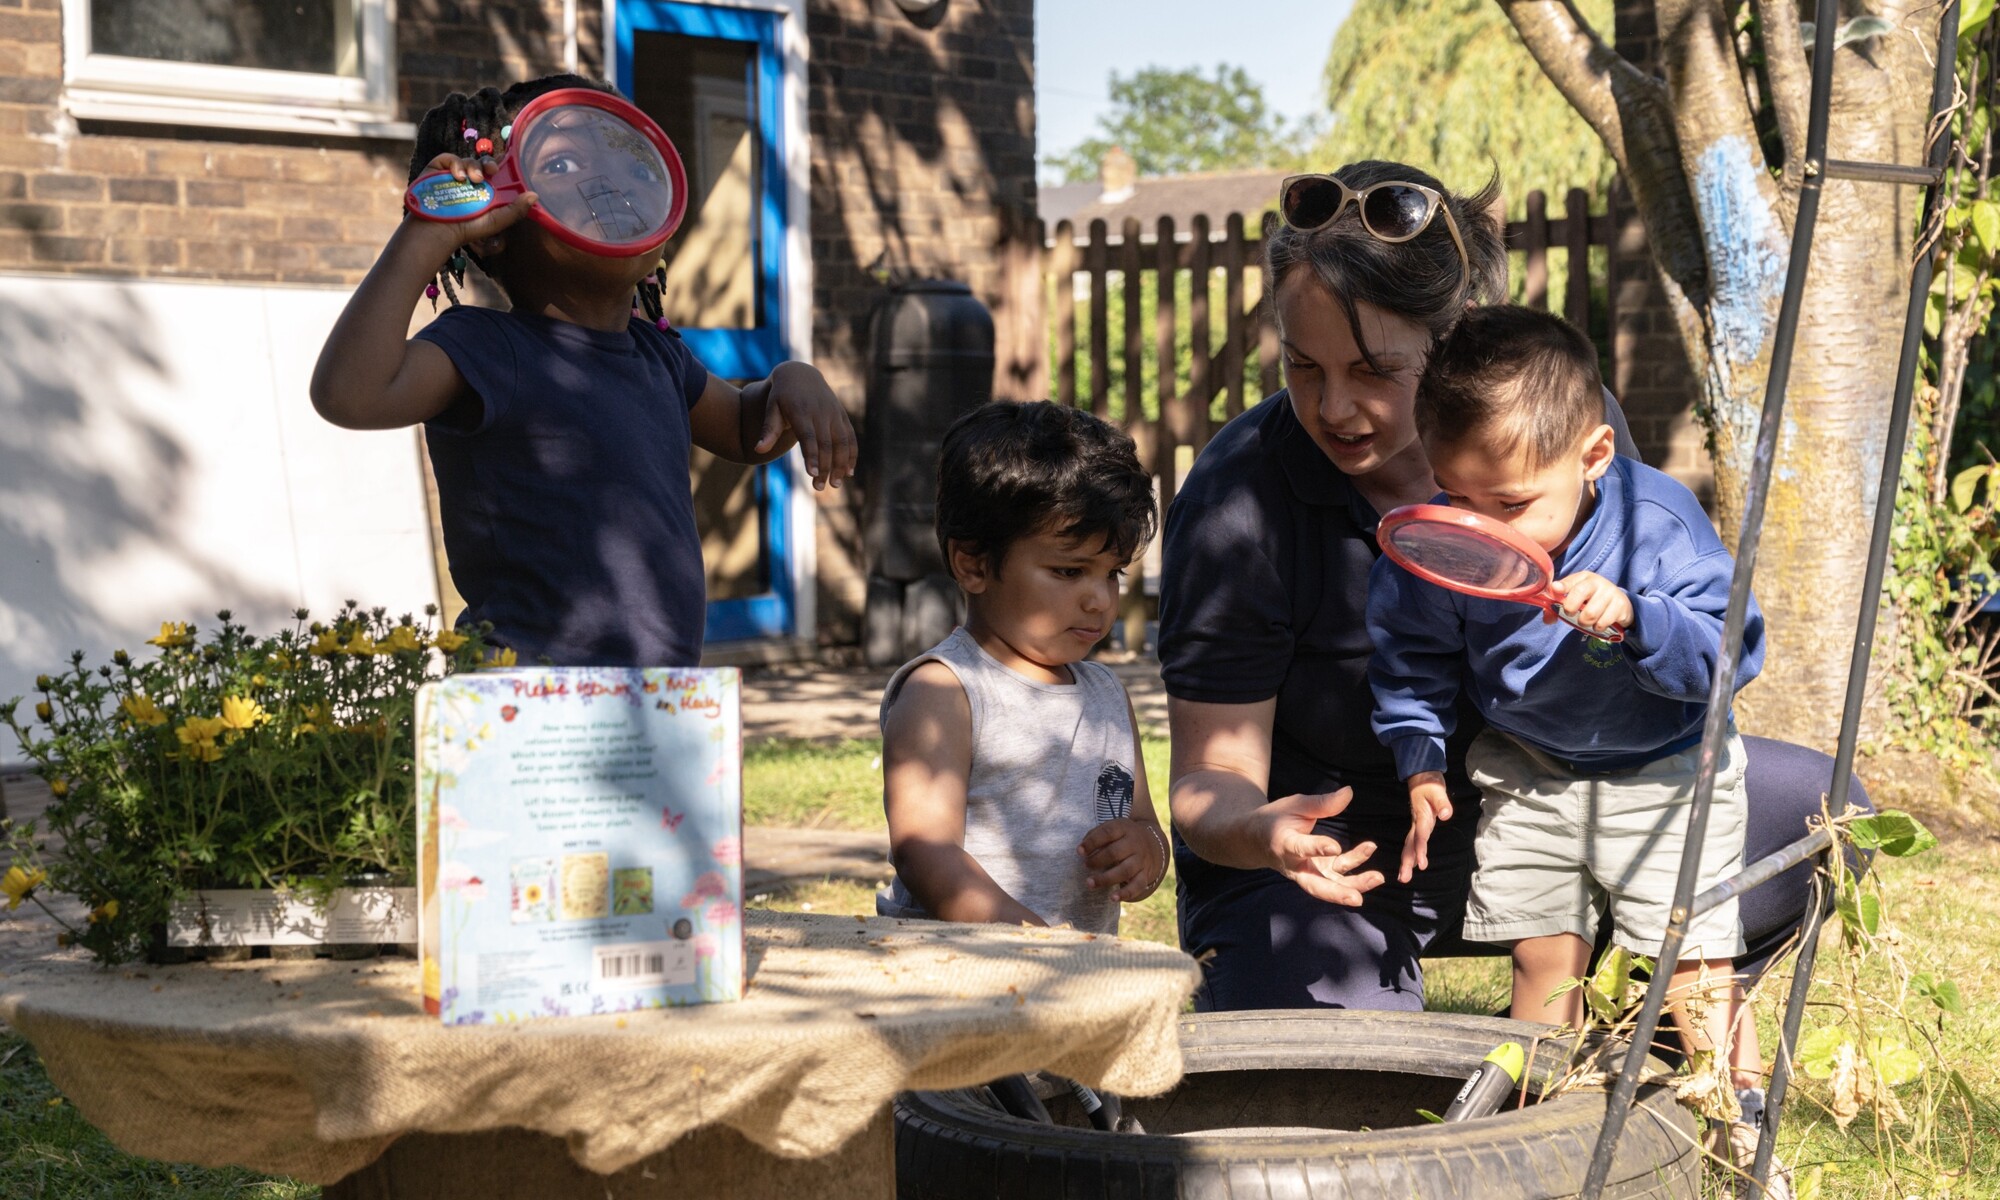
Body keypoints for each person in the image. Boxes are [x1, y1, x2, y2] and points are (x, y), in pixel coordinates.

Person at [1157, 160, 1868, 1016]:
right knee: (1342, 1095)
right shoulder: (1241, 496)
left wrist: (1632, 637)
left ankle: (1632, 1029)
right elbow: (1209, 781)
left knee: (1822, 816)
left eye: (1376, 371)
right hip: (1341, 853)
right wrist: (1263, 833)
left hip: (1552, 801)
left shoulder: (1556, 423)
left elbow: (1681, 636)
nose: (1334, 407)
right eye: (1303, 366)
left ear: (1459, 336)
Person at [1367, 305, 1776, 1169]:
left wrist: (1639, 618)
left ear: (1594, 456)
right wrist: (1421, 758)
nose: (1485, 532)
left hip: (1666, 771)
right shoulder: (1456, 540)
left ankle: (1748, 1144)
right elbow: (1412, 656)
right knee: (1544, 965)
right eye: (1457, 497)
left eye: (1512, 505)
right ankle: (1538, 1147)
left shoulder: (1655, 523)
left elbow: (1732, 649)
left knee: (1695, 972)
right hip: (1532, 769)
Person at [310, 74, 855, 667]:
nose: (612, 184)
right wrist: (426, 233)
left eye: (637, 170)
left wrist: (791, 379)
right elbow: (349, 394)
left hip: (655, 701)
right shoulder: (487, 348)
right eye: (564, 161)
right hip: (526, 702)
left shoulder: (660, 357)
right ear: (492, 223)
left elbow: (749, 429)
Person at [876, 401, 1169, 933]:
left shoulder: (1105, 695)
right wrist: (1035, 943)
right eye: (1069, 570)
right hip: (953, 980)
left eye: (1112, 574)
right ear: (975, 565)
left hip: (1068, 980)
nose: (1100, 599)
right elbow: (924, 853)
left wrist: (1144, 853)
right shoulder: (946, 692)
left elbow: (1145, 825)